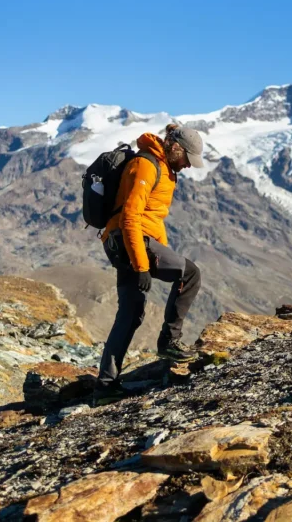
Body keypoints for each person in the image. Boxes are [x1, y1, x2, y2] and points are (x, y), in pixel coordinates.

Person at [94, 123, 205, 404]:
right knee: (190, 274)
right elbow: (131, 217)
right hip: (130, 240)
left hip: (124, 241)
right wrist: (142, 265)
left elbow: (152, 219)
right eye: (187, 160)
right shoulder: (146, 165)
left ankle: (105, 387)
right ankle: (169, 342)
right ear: (176, 149)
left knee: (130, 313)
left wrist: (158, 252)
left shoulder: (165, 167)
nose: (188, 167)